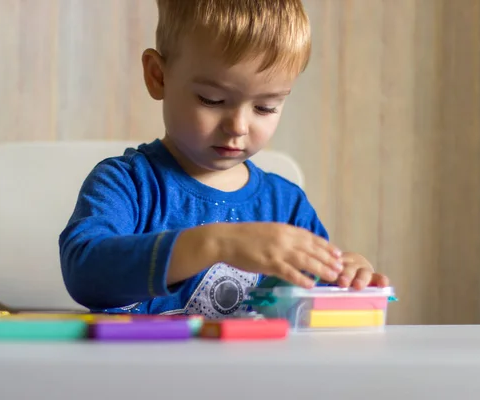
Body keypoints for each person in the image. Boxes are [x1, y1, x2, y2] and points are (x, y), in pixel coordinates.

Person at [59, 0, 389, 317]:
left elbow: (306, 305)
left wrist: (344, 277)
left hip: (250, 374)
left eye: (266, 107)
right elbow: (85, 272)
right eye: (212, 99)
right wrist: (217, 243)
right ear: (158, 76)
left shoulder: (286, 206)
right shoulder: (126, 184)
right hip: (142, 372)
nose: (238, 126)